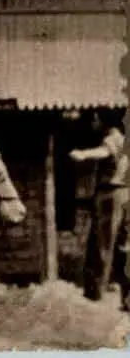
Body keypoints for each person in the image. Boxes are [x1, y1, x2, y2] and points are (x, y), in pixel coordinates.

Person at [69, 114, 128, 303]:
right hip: (126, 194)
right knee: (125, 246)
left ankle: (96, 294)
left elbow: (104, 152)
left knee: (102, 244)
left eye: (95, 119)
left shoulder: (112, 139)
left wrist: (84, 154)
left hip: (111, 195)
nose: (93, 122)